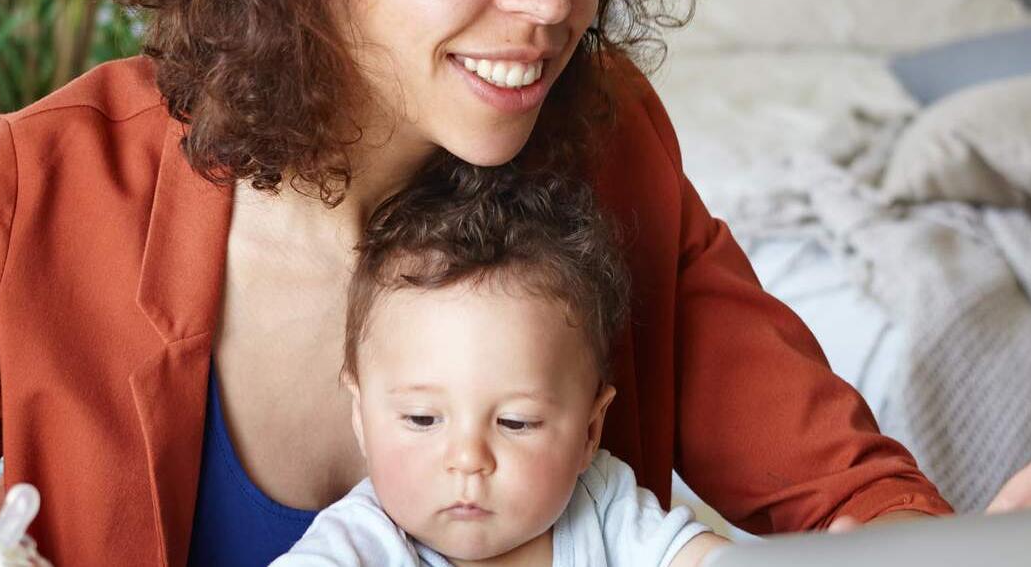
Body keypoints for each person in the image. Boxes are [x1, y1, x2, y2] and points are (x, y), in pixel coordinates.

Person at [0, 0, 1031, 565]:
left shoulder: (612, 147)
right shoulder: (51, 186)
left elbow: (836, 492)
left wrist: (961, 557)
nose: (551, 1)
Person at [272, 159, 725, 566]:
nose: (468, 459)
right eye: (423, 418)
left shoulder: (604, 508)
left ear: (590, 429)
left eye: (515, 422)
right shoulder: (362, 545)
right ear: (361, 416)